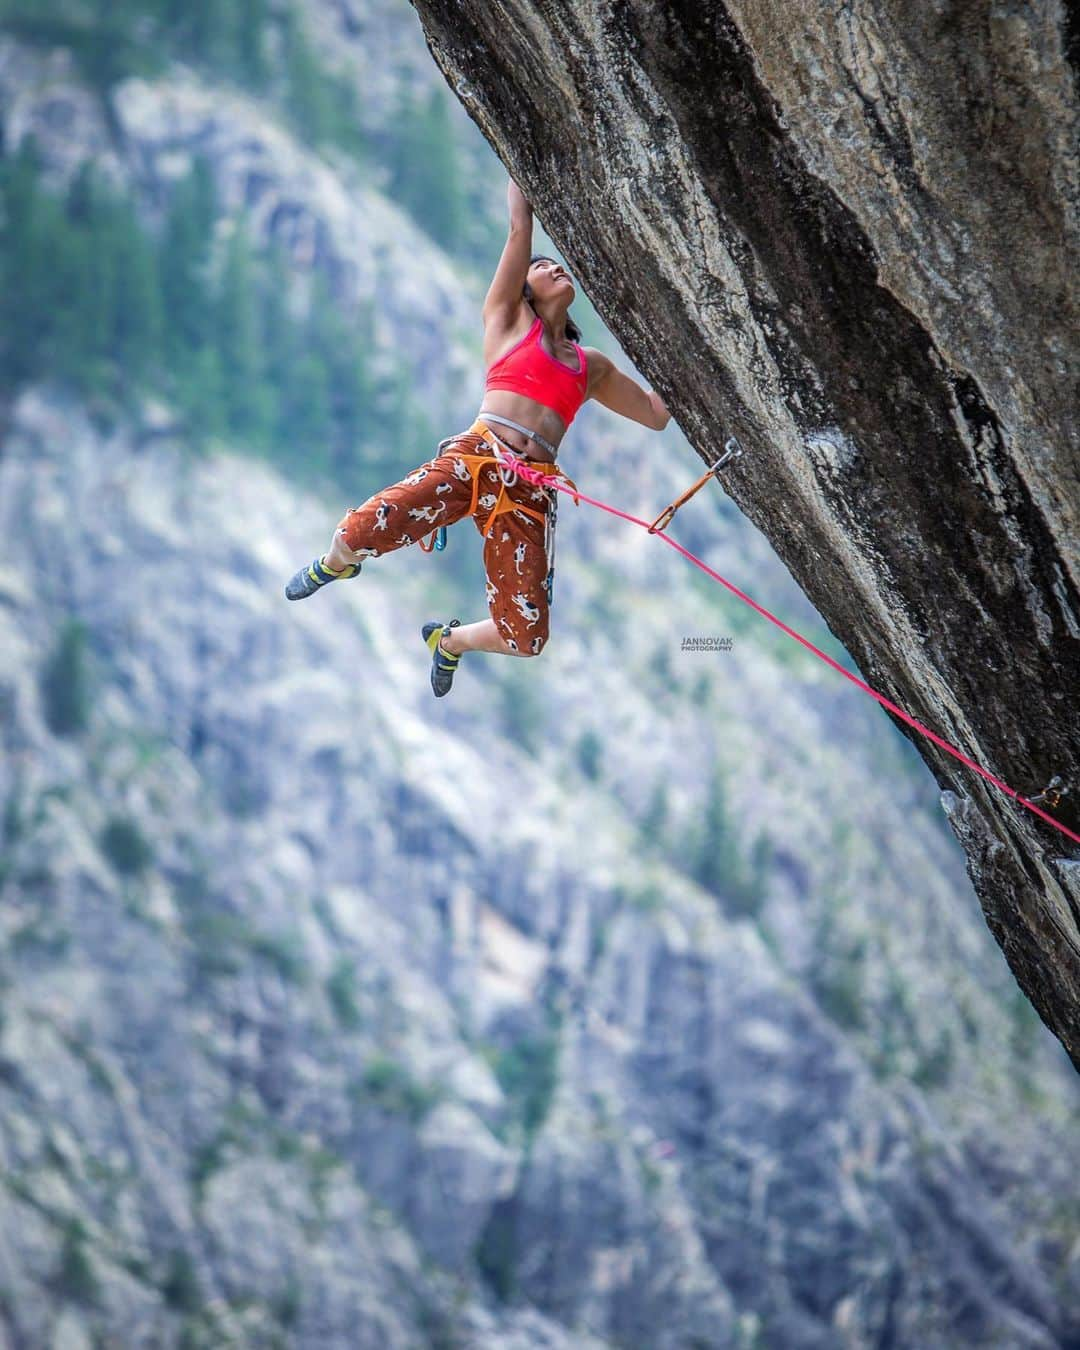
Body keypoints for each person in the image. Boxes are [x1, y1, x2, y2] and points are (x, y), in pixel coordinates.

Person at [285, 175, 671, 697]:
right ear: (526, 292)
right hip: (477, 458)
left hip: (528, 489)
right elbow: (519, 229)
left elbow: (655, 414)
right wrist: (521, 167)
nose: (554, 266)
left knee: (526, 636)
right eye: (542, 267)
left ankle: (451, 642)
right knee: (360, 530)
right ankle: (335, 566)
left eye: (557, 265)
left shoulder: (591, 367)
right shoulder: (509, 322)